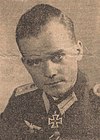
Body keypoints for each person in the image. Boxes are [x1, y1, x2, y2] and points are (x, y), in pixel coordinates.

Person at [0, 4, 100, 140]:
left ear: (78, 51)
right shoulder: (21, 102)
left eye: (57, 57)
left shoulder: (96, 103)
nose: (49, 72)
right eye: (35, 62)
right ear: (25, 63)